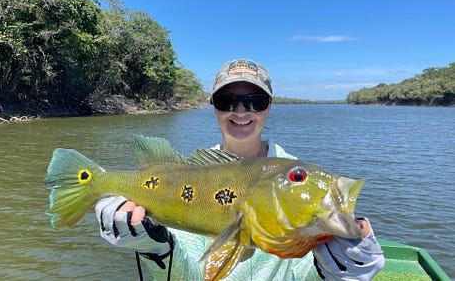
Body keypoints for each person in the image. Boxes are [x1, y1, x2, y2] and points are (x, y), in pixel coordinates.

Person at [95, 58, 385, 280]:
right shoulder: (188, 179)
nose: (241, 111)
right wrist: (155, 249)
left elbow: (304, 273)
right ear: (214, 107)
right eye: (227, 101)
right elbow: (188, 274)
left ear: (269, 107)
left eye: (254, 102)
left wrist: (337, 272)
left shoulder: (291, 178)